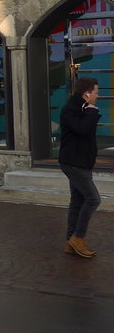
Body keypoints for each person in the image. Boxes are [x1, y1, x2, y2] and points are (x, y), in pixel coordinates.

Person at [60, 77, 102, 258]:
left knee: (77, 201)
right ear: (87, 94)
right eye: (96, 92)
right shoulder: (71, 109)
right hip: (74, 163)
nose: (97, 96)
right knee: (93, 199)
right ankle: (78, 238)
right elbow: (82, 129)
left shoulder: (82, 108)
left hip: (82, 162)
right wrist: (92, 113)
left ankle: (71, 242)